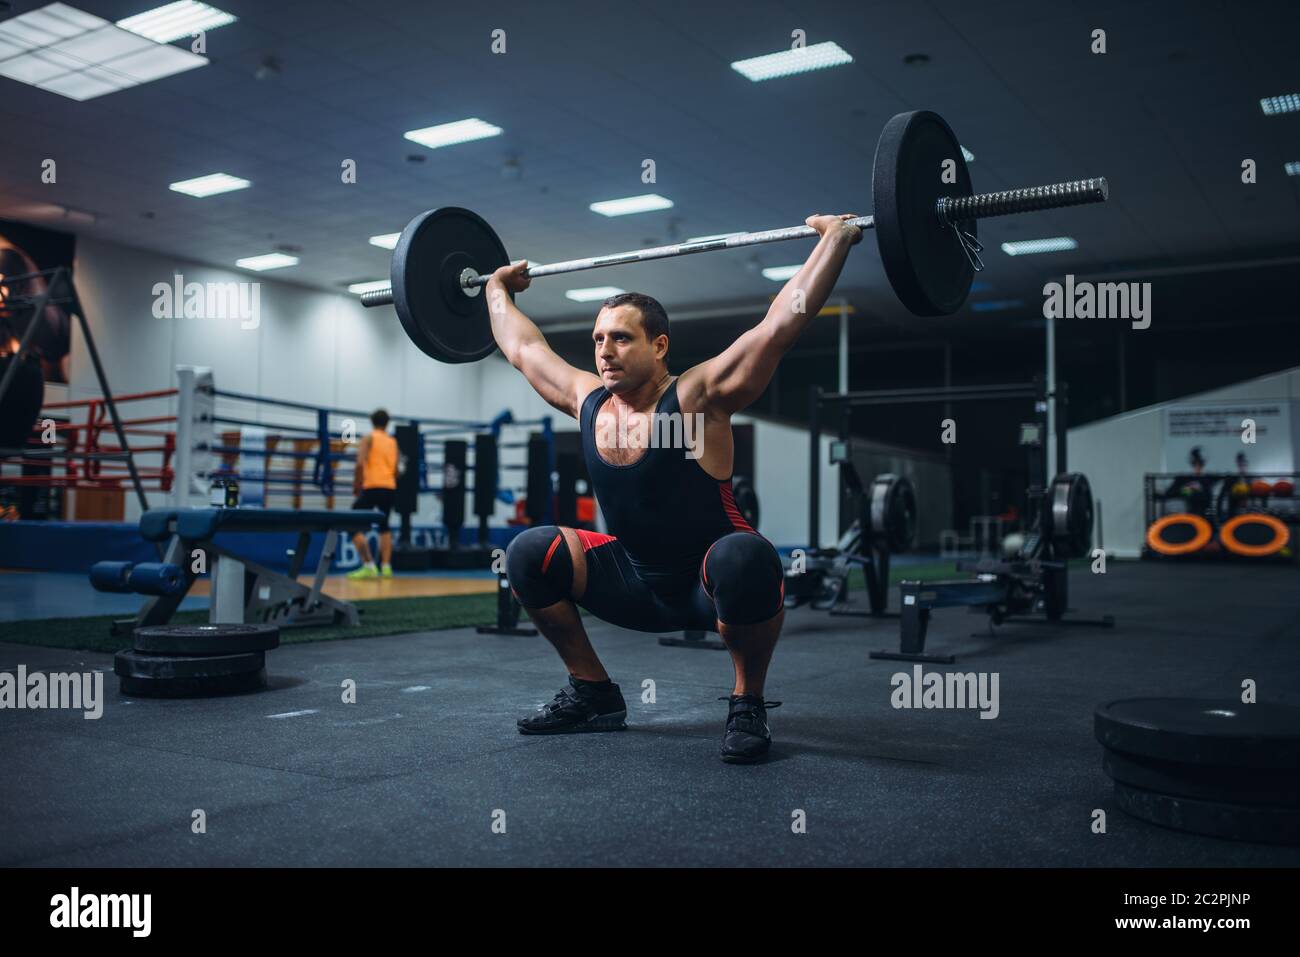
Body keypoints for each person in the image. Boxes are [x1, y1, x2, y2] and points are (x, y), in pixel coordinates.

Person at [493, 213, 863, 763]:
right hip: (635, 584)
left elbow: (779, 325)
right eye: (598, 339)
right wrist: (496, 292)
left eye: (620, 338)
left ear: (659, 345)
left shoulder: (696, 399)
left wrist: (835, 240)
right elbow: (524, 349)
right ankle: (594, 693)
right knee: (528, 551)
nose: (604, 351)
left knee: (746, 555)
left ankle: (747, 703)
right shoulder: (588, 402)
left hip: (712, 587)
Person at [347, 409, 398, 579]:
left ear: (372, 421)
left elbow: (360, 463)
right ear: (387, 422)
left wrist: (356, 484)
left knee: (350, 524)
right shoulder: (392, 442)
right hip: (389, 486)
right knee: (385, 526)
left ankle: (369, 565)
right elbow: (397, 469)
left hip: (372, 485)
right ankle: (386, 567)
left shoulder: (369, 438)